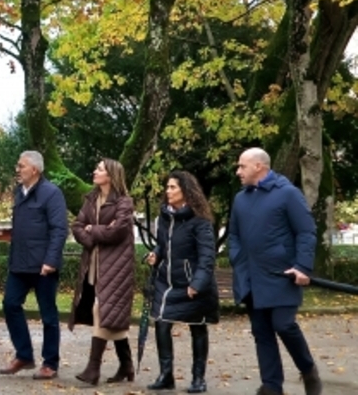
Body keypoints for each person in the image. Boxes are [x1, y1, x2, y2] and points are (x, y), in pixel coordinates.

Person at [229, 148, 322, 395]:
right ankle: (271, 386)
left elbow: (306, 231)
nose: (238, 171)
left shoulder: (288, 194)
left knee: (283, 325)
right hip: (251, 276)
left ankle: (308, 369)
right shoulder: (241, 198)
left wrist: (303, 266)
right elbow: (234, 235)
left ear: (259, 166)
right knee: (261, 332)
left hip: (282, 275)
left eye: (242, 166)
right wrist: (238, 260)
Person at [146, 170, 219, 393]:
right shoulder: (164, 218)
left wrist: (197, 283)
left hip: (192, 284)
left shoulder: (200, 221)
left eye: (172, 187)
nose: (167, 191)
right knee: (161, 323)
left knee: (197, 328)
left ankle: (199, 379)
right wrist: (156, 254)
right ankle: (166, 375)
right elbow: (162, 244)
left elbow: (207, 256)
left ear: (185, 190)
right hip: (166, 283)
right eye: (167, 187)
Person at [0, 150, 67, 380]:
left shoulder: (52, 193)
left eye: (21, 166)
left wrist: (51, 260)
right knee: (10, 304)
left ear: (35, 170)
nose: (17, 170)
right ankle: (24, 355)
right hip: (19, 263)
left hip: (43, 266)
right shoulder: (19, 192)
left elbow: (59, 230)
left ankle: (50, 363)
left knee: (48, 315)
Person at [69, 158, 136, 386]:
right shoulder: (91, 199)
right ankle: (126, 366)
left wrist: (93, 229)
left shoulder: (125, 202)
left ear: (111, 175)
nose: (95, 171)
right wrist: (93, 234)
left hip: (116, 268)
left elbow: (117, 231)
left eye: (100, 169)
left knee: (101, 309)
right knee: (110, 315)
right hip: (93, 265)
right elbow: (77, 226)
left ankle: (93, 369)